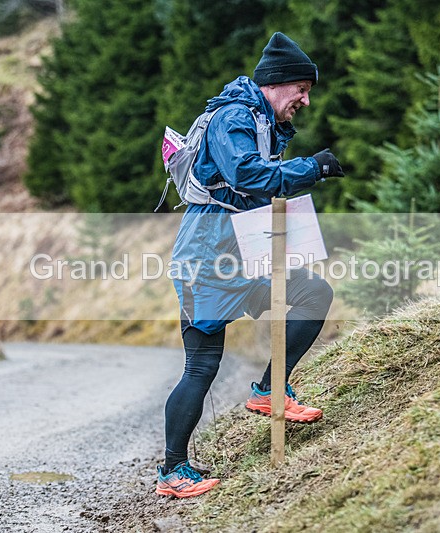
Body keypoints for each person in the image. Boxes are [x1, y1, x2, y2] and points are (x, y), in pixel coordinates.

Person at [155, 32, 344, 499]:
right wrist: (312, 168)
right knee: (201, 367)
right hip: (206, 262)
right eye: (301, 89)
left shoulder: (261, 121)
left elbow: (253, 191)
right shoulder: (234, 117)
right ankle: (173, 471)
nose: (305, 100)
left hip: (244, 256)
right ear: (275, 83)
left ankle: (270, 389)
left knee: (314, 292)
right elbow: (246, 175)